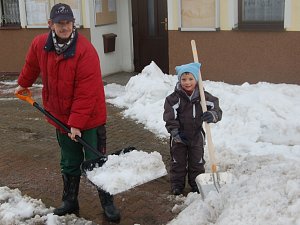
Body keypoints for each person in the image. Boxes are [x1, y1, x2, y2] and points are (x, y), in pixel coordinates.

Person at [14, 3, 120, 222]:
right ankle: (70, 200)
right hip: (60, 116)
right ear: (50, 24)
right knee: (70, 160)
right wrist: (23, 84)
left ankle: (107, 202)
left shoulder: (85, 51)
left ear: (74, 23)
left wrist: (77, 123)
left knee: (96, 160)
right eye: (60, 23)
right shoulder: (40, 44)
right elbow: (31, 65)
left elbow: (87, 92)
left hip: (89, 118)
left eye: (68, 22)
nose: (64, 27)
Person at [163, 62, 222, 195]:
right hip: (179, 137)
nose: (187, 82)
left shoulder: (203, 96)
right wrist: (176, 133)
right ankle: (177, 185)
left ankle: (196, 183)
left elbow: (217, 109)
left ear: (196, 79)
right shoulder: (174, 99)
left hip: (197, 136)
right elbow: (169, 117)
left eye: (191, 79)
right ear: (179, 80)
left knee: (197, 162)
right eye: (183, 79)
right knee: (178, 162)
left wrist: (212, 115)